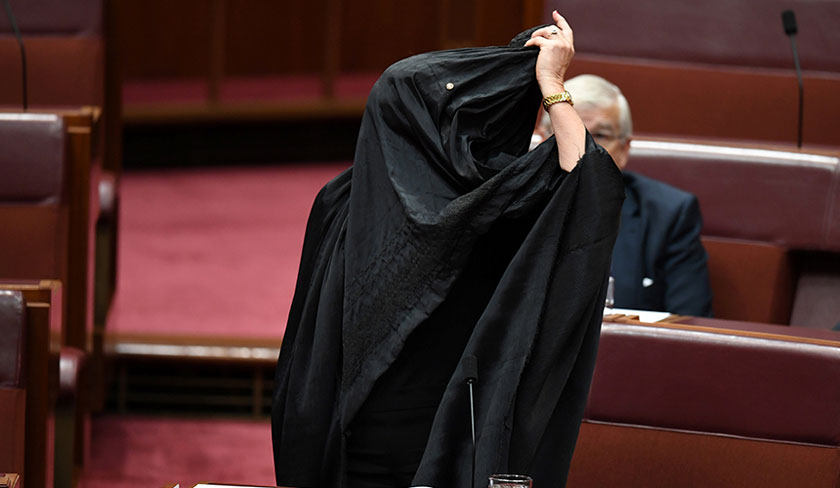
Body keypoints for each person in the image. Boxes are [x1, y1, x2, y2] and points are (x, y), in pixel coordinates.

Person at [272, 12, 625, 488]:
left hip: (444, 442)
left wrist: (536, 79)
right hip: (370, 442)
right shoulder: (363, 202)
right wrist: (549, 84)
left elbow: (587, 189)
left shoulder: (483, 205)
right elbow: (587, 183)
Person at [536, 74, 713, 316]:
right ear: (542, 139)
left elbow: (690, 327)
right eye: (565, 131)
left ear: (624, 149)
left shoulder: (668, 215)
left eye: (599, 136)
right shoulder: (507, 205)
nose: (582, 148)